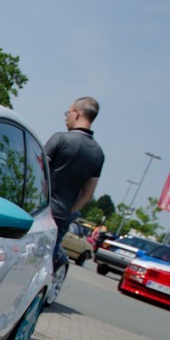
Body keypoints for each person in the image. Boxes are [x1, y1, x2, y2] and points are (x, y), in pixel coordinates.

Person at [45, 97, 105, 249]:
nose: (66, 117)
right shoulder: (98, 153)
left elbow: (37, 170)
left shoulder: (60, 139)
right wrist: (68, 211)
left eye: (68, 112)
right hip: (62, 217)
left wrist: (41, 201)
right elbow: (88, 194)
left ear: (77, 113)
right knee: (47, 255)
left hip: (40, 211)